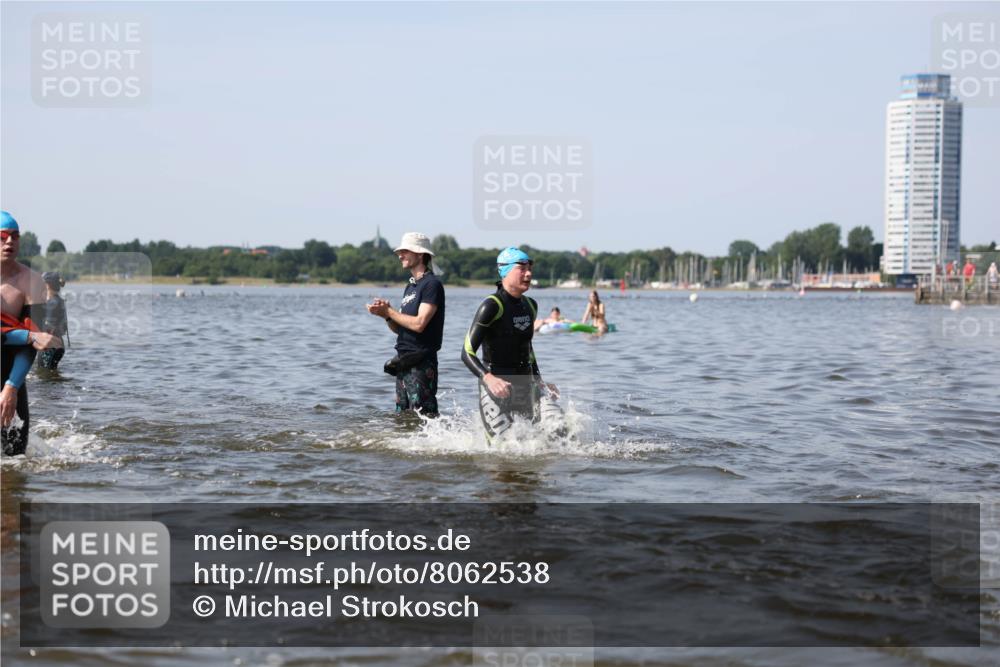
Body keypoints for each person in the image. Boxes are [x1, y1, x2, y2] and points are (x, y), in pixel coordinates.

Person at [462, 247, 558, 439]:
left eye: (530, 268)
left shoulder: (530, 305)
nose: (528, 273)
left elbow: (527, 348)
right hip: (497, 386)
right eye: (521, 268)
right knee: (502, 449)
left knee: (548, 436)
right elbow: (467, 352)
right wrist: (488, 378)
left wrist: (539, 381)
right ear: (504, 271)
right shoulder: (491, 306)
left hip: (526, 384)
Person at [1, 211, 63, 456]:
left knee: (15, 458)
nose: (9, 241)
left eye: (15, 236)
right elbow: (32, 337)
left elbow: (34, 342)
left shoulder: (32, 281)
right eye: (2, 236)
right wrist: (28, 336)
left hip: (10, 373)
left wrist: (11, 387)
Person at [366, 232, 445, 417]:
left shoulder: (432, 284)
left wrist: (390, 311)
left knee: (424, 417)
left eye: (405, 251)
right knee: (403, 418)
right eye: (399, 252)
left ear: (420, 254)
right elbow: (401, 329)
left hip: (422, 362)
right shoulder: (410, 287)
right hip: (403, 361)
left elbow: (419, 324)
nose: (400, 255)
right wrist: (386, 316)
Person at [39, 272, 69, 370]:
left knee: (43, 374)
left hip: (49, 345)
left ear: (47, 285)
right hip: (58, 344)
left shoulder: (52, 303)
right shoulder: (59, 300)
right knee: (50, 373)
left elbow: (49, 326)